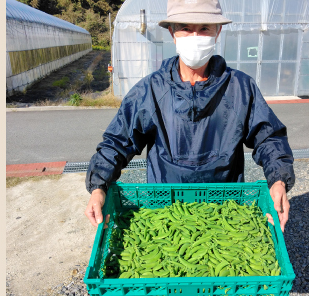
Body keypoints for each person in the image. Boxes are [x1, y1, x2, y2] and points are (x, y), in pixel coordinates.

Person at [84, 0, 295, 232]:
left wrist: (278, 180)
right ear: (172, 32)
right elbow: (117, 142)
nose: (195, 36)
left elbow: (268, 137)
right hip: (165, 207)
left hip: (224, 209)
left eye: (204, 28)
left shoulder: (240, 88)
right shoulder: (151, 90)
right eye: (185, 27)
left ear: (218, 32)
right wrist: (99, 187)